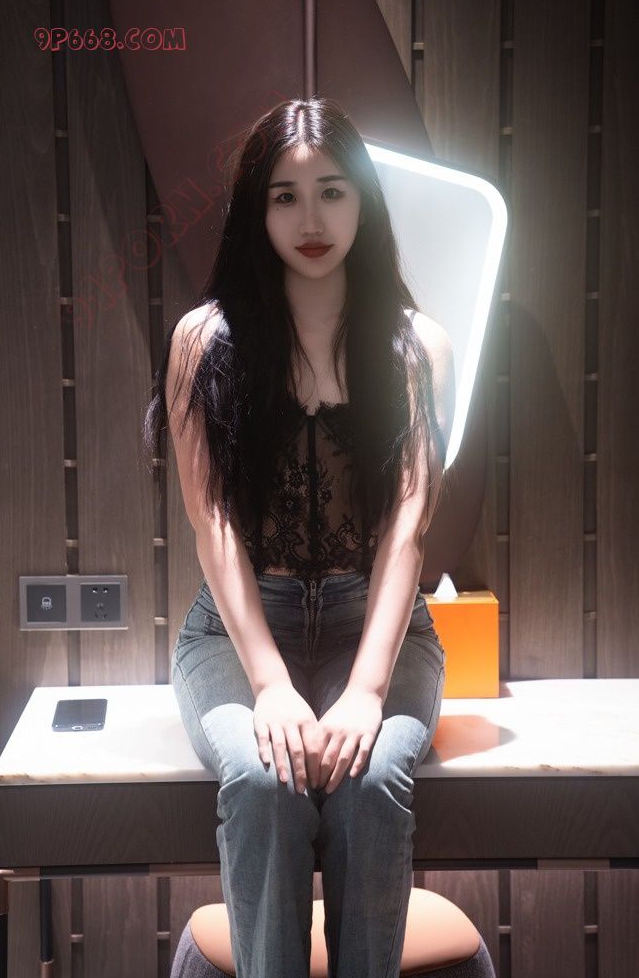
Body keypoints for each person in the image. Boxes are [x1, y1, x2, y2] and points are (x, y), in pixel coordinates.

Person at [144, 97, 456, 978]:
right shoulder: (203, 342)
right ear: (256, 208)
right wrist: (271, 682)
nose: (311, 220)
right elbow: (211, 524)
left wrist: (366, 690)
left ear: (363, 201)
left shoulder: (415, 346)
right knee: (261, 780)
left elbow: (407, 527)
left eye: (332, 192)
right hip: (237, 632)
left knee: (371, 779)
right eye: (284, 196)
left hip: (380, 628)